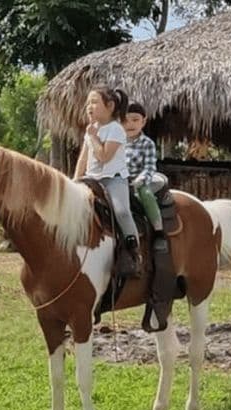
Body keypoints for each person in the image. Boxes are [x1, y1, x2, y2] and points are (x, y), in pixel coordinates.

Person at [74, 86, 140, 277]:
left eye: (94, 102)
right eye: (88, 103)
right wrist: (75, 180)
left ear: (110, 106)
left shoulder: (116, 129)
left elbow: (104, 156)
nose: (89, 107)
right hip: (91, 180)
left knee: (122, 211)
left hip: (113, 180)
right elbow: (83, 158)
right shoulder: (90, 131)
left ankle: (134, 251)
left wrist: (93, 137)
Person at [122, 102, 168, 253]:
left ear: (144, 121)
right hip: (120, 180)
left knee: (146, 194)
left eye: (135, 120)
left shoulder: (147, 143)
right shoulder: (117, 142)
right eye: (126, 120)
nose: (130, 124)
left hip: (140, 179)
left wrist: (140, 181)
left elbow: (149, 167)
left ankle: (159, 231)